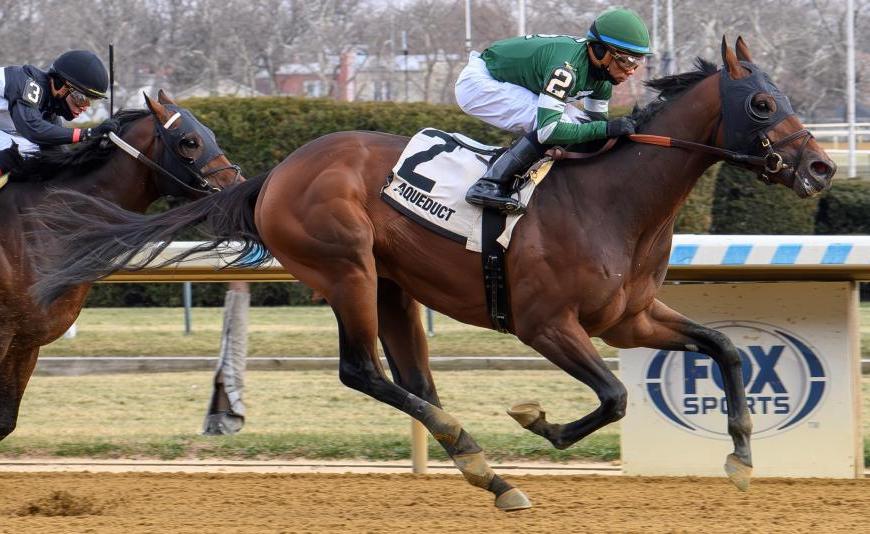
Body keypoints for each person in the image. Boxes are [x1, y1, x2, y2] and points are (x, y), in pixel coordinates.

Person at [455, 7, 652, 212]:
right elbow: (549, 130)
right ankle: (488, 184)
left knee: (581, 124)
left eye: (638, 62)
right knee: (556, 125)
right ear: (600, 52)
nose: (631, 71)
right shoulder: (566, 69)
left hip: (506, 81)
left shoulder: (602, 79)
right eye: (627, 61)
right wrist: (606, 129)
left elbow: (595, 127)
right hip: (478, 84)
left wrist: (613, 133)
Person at [0, 49, 118, 180]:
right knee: (12, 155)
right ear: (60, 85)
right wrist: (88, 133)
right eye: (82, 99)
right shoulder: (27, 84)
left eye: (91, 102)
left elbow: (59, 156)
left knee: (43, 160)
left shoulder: (50, 110)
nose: (85, 107)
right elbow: (33, 129)